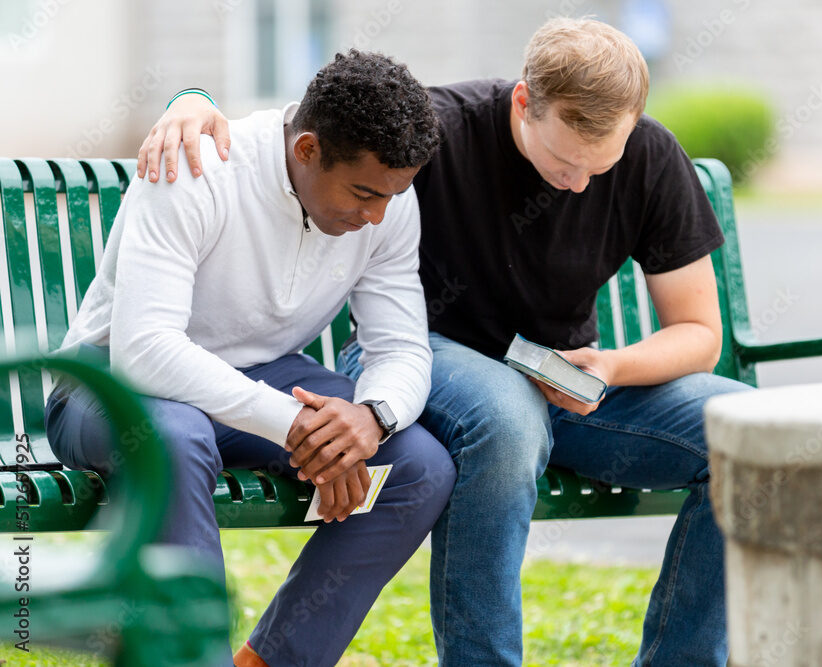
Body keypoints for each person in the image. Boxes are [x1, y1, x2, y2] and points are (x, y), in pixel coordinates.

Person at [137, 17, 753, 667]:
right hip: (428, 361)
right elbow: (317, 131)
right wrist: (193, 101)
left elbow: (699, 334)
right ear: (523, 102)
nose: (578, 184)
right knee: (508, 418)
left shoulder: (654, 158)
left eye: (600, 167)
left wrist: (611, 365)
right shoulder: (439, 131)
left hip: (571, 382)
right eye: (564, 161)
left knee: (742, 434)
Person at [46, 50, 456, 667]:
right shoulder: (194, 168)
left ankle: (270, 661)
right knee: (173, 437)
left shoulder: (389, 205)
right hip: (110, 388)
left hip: (260, 379)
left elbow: (400, 346)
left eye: (391, 197)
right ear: (308, 149)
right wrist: (294, 425)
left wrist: (369, 418)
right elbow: (145, 351)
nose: (376, 216)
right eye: (365, 193)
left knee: (416, 465)